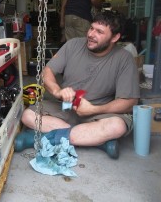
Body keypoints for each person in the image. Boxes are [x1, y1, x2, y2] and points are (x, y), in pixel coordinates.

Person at [16, 11, 140, 159]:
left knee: (117, 126)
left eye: (99, 32)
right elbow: (47, 71)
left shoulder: (124, 59)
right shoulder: (73, 45)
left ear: (115, 37)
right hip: (66, 107)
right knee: (28, 115)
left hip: (99, 113)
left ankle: (36, 139)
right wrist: (57, 91)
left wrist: (93, 109)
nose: (91, 34)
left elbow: (129, 102)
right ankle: (97, 142)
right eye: (91, 28)